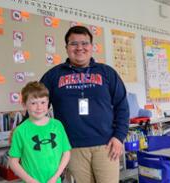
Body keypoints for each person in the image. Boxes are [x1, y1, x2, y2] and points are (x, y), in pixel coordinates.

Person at [40, 25, 129, 183]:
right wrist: (22, 129)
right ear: (66, 48)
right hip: (71, 147)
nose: (79, 47)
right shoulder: (53, 76)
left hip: (106, 146)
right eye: (73, 43)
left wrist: (119, 137)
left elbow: (122, 105)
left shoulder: (107, 73)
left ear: (92, 47)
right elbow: (37, 105)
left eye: (84, 43)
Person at [8, 81, 71, 183]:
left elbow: (66, 153)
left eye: (43, 102)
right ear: (24, 104)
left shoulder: (57, 126)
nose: (39, 107)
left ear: (48, 103)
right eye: (33, 103)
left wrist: (55, 177)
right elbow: (13, 162)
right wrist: (30, 180)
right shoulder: (20, 131)